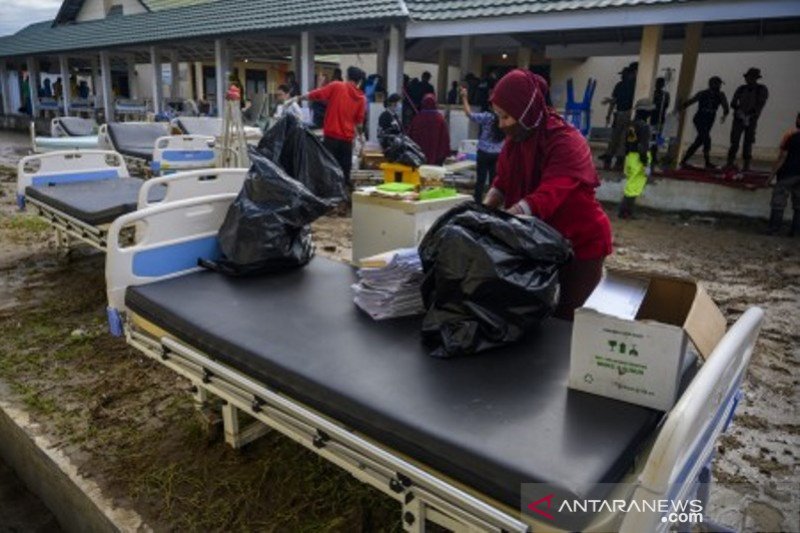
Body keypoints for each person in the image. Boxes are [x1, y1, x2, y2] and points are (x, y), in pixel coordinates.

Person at [483, 69, 612, 320]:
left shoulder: (566, 141)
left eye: (506, 116)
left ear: (525, 111)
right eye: (498, 116)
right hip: (541, 241)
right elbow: (503, 181)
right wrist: (484, 210)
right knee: (535, 311)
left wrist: (506, 220)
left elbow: (550, 193)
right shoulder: (515, 141)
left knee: (569, 317)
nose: (501, 124)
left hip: (580, 242)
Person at [297, 66, 366, 185]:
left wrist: (299, 97)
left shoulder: (337, 86)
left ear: (347, 76)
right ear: (359, 81)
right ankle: (343, 197)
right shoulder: (361, 98)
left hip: (332, 136)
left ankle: (328, 197)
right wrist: (360, 136)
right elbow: (359, 123)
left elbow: (318, 94)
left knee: (328, 168)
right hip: (347, 140)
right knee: (344, 170)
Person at [460, 85, 504, 202]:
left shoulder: (487, 117)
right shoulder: (504, 118)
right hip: (497, 153)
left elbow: (469, 114)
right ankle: (491, 203)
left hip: (484, 152)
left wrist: (464, 97)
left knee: (480, 180)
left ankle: (478, 202)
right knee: (493, 182)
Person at [680, 76, 730, 169]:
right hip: (700, 117)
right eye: (717, 84)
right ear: (711, 84)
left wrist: (725, 114)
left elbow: (726, 107)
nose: (719, 86)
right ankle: (707, 162)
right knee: (706, 139)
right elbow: (691, 101)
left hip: (709, 118)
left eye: (719, 84)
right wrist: (682, 106)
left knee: (699, 141)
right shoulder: (703, 93)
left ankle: (684, 161)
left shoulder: (720, 95)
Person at [727, 68, 769, 171]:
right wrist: (739, 110)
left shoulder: (761, 89)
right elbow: (733, 102)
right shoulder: (741, 88)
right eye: (747, 77)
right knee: (734, 141)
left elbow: (760, 103)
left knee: (748, 142)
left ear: (755, 78)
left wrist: (750, 114)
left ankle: (746, 166)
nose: (747, 79)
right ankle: (729, 163)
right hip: (738, 118)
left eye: (750, 77)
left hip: (752, 119)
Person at [619, 99, 655, 219]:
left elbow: (627, 142)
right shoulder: (644, 126)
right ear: (645, 112)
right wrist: (645, 163)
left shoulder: (632, 124)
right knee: (634, 187)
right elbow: (642, 146)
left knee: (630, 184)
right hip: (639, 158)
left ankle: (625, 211)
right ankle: (626, 212)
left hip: (630, 156)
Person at [767, 113, 800, 236]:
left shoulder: (790, 135)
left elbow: (782, 157)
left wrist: (771, 176)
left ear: (798, 120)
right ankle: (796, 232)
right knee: (798, 206)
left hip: (787, 174)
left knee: (778, 202)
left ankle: (774, 230)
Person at [601, 63, 638, 171]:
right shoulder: (622, 85)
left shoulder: (630, 85)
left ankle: (614, 158)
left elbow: (613, 101)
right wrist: (608, 114)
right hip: (622, 113)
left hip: (625, 113)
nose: (622, 76)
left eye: (624, 74)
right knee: (618, 137)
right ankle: (614, 158)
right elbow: (614, 101)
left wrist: (609, 113)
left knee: (619, 137)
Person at [407, 94, 451, 165]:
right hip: (436, 155)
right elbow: (444, 137)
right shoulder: (439, 118)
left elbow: (410, 135)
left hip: (419, 155)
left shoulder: (418, 118)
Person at [649, 77, 670, 162]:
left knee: (658, 139)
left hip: (660, 118)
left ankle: (654, 155)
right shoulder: (652, 94)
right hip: (652, 118)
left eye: (661, 83)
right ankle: (650, 154)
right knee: (651, 138)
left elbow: (666, 105)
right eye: (658, 83)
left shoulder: (666, 94)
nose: (659, 85)